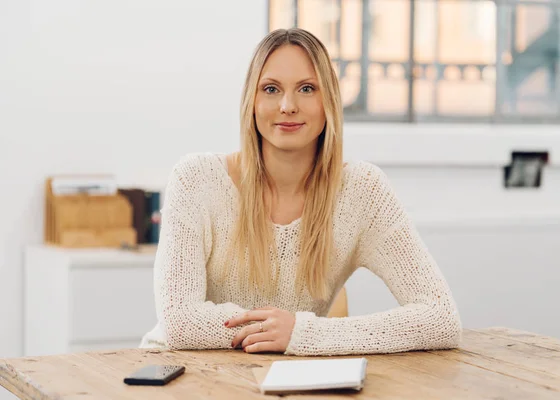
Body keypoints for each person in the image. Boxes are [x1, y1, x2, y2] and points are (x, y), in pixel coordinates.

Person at [140, 28, 461, 356]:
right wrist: (274, 332)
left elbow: (441, 317)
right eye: (271, 89)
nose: (287, 105)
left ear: (329, 102)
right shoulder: (196, 180)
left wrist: (303, 334)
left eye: (307, 88)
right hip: (179, 373)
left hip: (282, 379)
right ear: (252, 101)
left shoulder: (363, 191)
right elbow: (179, 321)